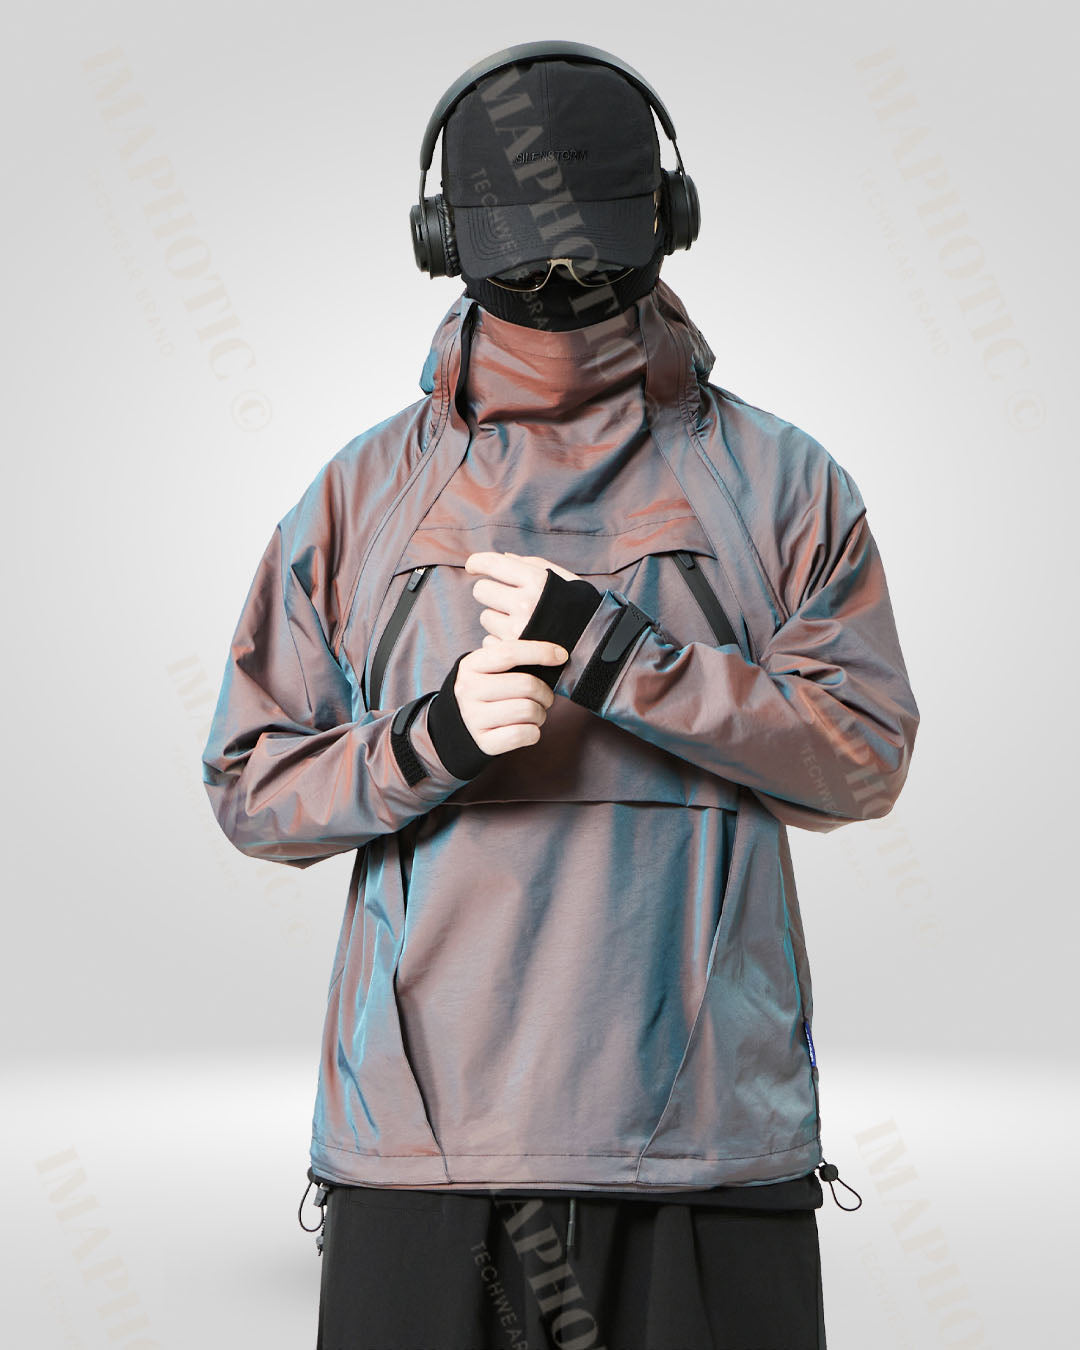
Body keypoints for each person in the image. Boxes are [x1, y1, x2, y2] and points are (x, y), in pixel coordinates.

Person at [202, 42, 919, 1350]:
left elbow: (862, 756)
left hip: (705, 1148)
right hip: (429, 1153)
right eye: (530, 260)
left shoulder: (779, 484)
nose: (558, 291)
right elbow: (251, 785)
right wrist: (434, 738)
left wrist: (621, 658)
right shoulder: (363, 498)